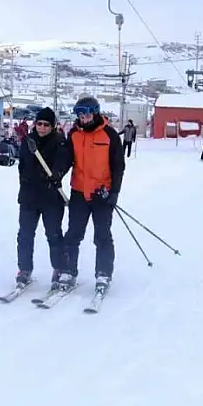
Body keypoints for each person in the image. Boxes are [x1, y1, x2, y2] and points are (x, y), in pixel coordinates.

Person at [53, 96, 126, 294]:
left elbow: (118, 166)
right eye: (79, 115)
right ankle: (69, 271)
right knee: (73, 235)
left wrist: (114, 192)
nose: (83, 119)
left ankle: (103, 273)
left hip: (101, 195)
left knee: (102, 236)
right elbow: (68, 159)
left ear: (95, 113)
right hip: (79, 192)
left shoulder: (109, 135)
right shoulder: (75, 134)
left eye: (86, 115)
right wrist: (57, 174)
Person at [13, 107, 67, 288]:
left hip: (51, 198)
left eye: (46, 125)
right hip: (29, 197)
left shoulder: (59, 142)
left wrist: (56, 175)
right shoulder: (28, 142)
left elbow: (64, 163)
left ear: (52, 126)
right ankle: (24, 269)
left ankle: (59, 268)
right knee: (25, 235)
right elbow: (22, 165)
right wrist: (26, 180)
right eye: (39, 124)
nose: (42, 128)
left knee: (53, 235)